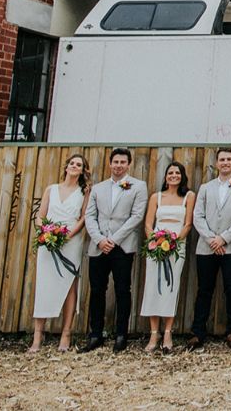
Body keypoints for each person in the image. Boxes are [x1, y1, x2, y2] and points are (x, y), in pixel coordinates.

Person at [82, 147, 148, 353]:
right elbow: (89, 216)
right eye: (115, 162)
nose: (118, 165)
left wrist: (114, 239)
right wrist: (100, 239)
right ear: (110, 164)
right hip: (98, 245)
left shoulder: (138, 186)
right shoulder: (98, 188)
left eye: (122, 162)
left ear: (129, 164)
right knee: (97, 290)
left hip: (122, 246)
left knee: (122, 290)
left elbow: (137, 217)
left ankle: (121, 334)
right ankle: (96, 334)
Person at [188, 148, 231, 350]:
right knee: (204, 289)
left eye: (229, 159)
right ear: (216, 163)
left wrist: (223, 238)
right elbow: (197, 216)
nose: (225, 162)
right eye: (222, 159)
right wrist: (211, 239)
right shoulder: (206, 187)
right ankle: (198, 333)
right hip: (206, 247)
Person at [29, 154, 90, 353]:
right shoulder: (51, 189)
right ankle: (38, 334)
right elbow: (40, 216)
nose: (74, 166)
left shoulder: (84, 192)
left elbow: (83, 218)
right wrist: (46, 231)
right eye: (72, 163)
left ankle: (66, 333)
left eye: (78, 165)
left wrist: (67, 235)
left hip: (71, 241)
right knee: (44, 285)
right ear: (66, 167)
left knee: (69, 286)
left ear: (82, 170)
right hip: (48, 241)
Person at [138, 161, 195, 352]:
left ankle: (168, 331)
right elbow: (148, 224)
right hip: (156, 246)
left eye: (177, 173)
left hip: (176, 246)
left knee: (171, 287)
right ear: (165, 176)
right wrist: (155, 242)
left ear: (182, 176)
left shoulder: (189, 196)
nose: (173, 176)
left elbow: (187, 224)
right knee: (153, 287)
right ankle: (154, 333)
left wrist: (173, 242)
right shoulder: (156, 197)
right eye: (170, 173)